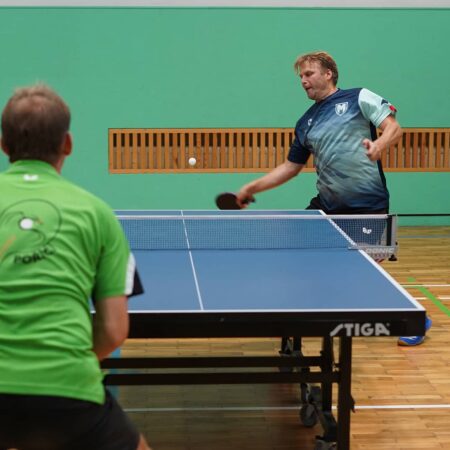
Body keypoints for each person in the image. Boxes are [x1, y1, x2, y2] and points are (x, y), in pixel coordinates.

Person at [236, 51, 431, 346]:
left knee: (367, 275)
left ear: (328, 74)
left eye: (309, 74)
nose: (303, 81)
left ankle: (416, 318)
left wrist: (379, 145)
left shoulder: (358, 98)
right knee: (294, 252)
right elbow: (291, 167)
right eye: (300, 76)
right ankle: (294, 315)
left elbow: (394, 127)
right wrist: (252, 187)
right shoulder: (305, 122)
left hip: (367, 206)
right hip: (326, 207)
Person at [0, 84, 152, 450]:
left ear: (3, 145)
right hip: (67, 388)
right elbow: (114, 330)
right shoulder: (97, 213)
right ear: (67, 144)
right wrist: (64, 360)